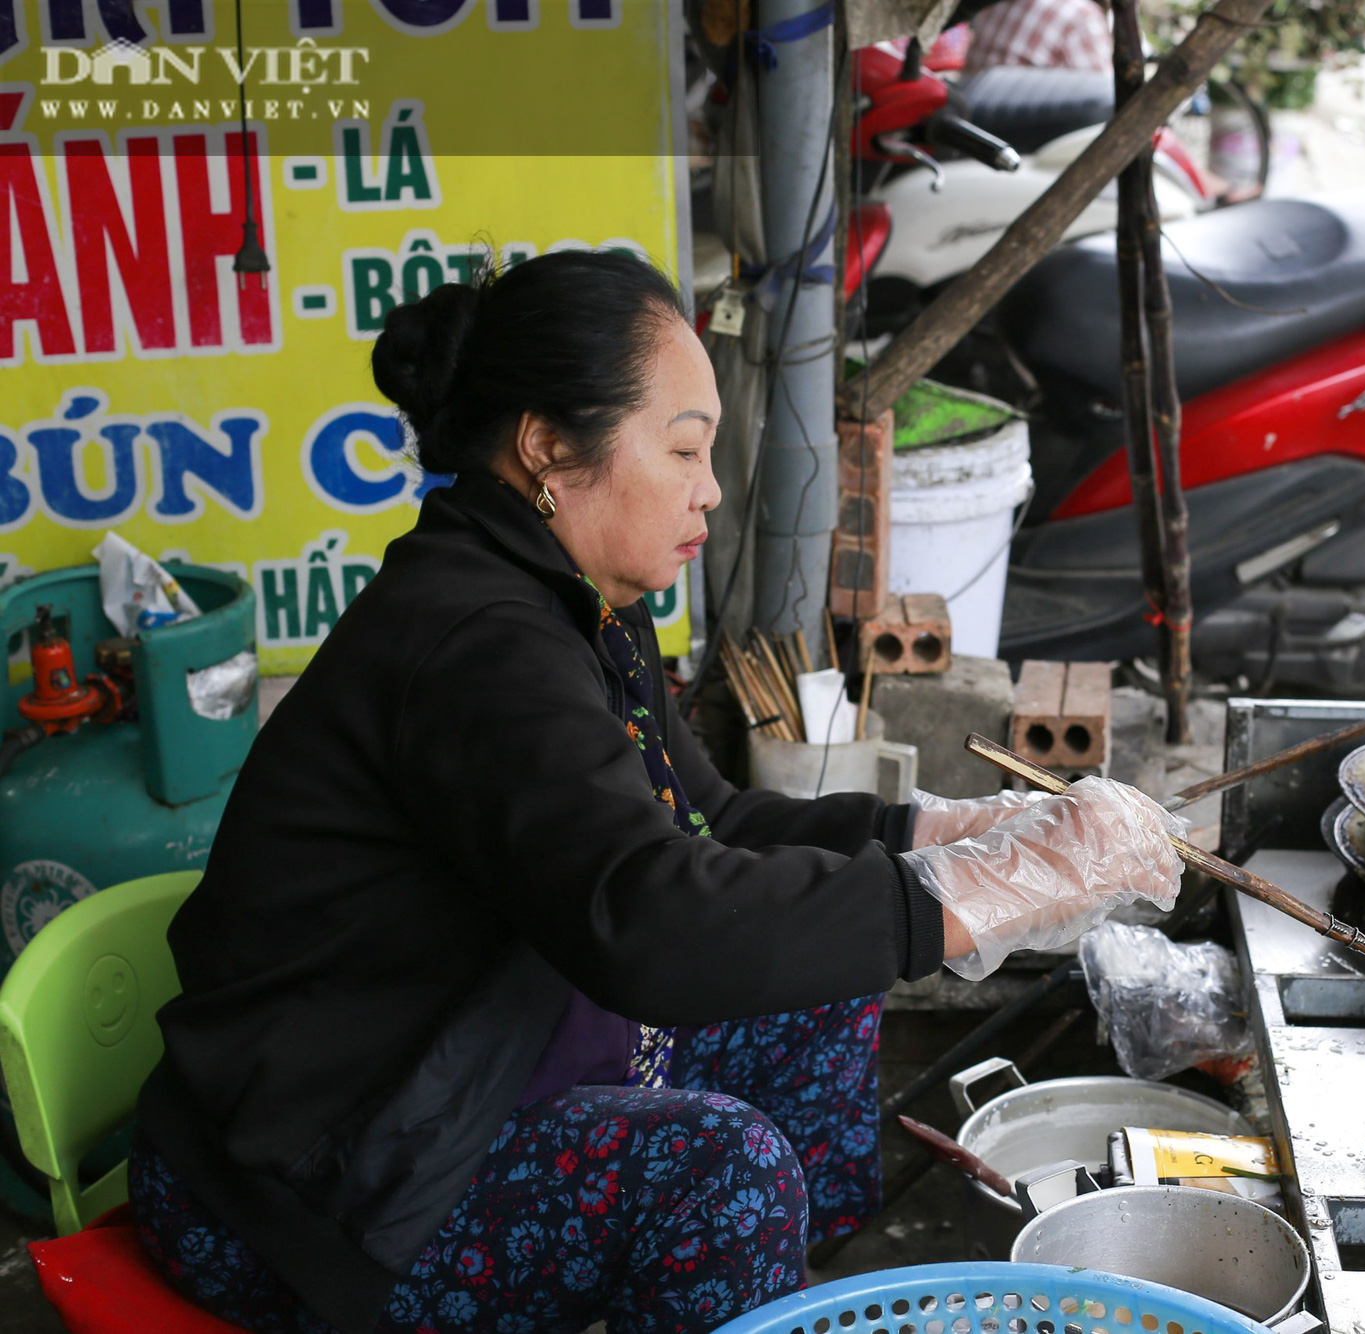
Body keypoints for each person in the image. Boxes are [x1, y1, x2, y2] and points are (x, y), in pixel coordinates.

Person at [130, 249, 1184, 1334]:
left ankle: (774, 1307)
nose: (710, 486)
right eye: (682, 447)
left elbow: (710, 822)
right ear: (547, 445)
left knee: (818, 972)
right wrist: (964, 892)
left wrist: (949, 831)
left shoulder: (576, 594)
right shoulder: (474, 641)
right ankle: (740, 1283)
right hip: (309, 1180)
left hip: (465, 1055)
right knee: (719, 1178)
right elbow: (654, 927)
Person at [961, 0, 1112, 76]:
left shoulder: (993, 5)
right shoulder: (1079, 15)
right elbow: (1101, 91)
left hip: (970, 105)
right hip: (1020, 123)